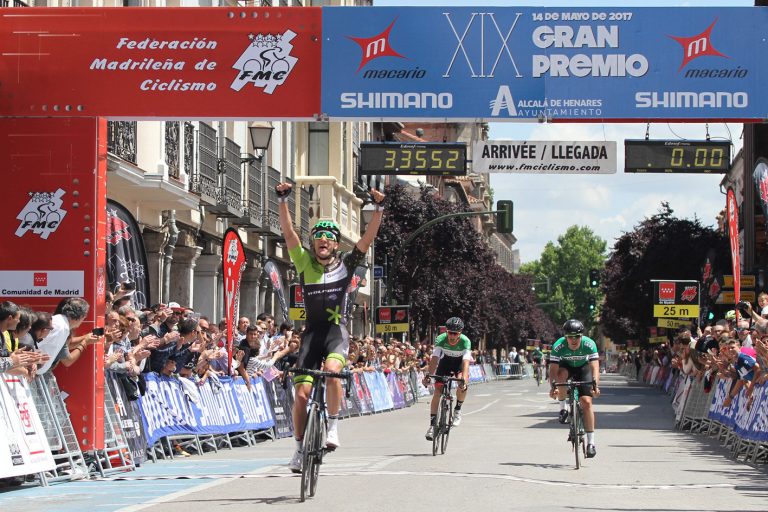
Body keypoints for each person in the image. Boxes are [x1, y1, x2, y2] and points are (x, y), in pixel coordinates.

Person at [275, 181, 385, 473]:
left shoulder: (348, 264)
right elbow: (288, 234)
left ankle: (333, 427)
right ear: (314, 244)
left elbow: (367, 239)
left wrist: (378, 209)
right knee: (300, 396)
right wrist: (283, 200)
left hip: (336, 333)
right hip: (311, 334)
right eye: (318, 238)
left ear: (336, 243)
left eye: (328, 238)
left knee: (334, 374)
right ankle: (299, 449)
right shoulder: (304, 262)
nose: (322, 241)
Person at [549, 319, 600, 459]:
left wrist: (595, 385)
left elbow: (595, 366)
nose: (574, 340)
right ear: (565, 337)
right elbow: (553, 369)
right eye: (570, 337)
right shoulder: (558, 346)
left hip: (583, 368)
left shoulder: (589, 344)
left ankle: (591, 443)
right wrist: (553, 387)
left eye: (577, 336)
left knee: (587, 403)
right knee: (561, 376)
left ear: (581, 336)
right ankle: (563, 408)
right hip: (566, 367)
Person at [422, 317, 471, 441]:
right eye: (450, 332)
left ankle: (457, 410)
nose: (452, 336)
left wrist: (464, 380)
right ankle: (432, 426)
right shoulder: (441, 339)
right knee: (437, 393)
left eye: (455, 333)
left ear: (460, 333)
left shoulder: (465, 341)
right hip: (445, 363)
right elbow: (434, 360)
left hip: (459, 364)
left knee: (462, 384)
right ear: (446, 331)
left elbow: (465, 363)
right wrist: (428, 375)